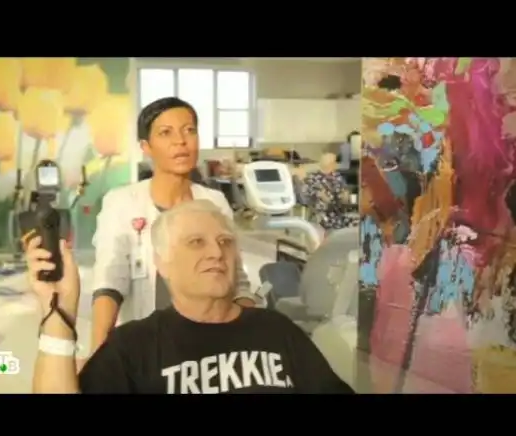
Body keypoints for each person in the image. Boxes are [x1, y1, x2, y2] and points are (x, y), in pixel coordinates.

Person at [28, 200, 354, 394]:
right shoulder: (133, 347)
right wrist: (59, 311)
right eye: (196, 242)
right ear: (163, 263)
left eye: (225, 242)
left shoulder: (277, 331)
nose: (216, 252)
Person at [90, 97, 255, 357]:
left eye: (189, 130)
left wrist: (251, 337)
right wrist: (97, 355)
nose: (180, 141)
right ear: (146, 146)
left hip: (210, 343)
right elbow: (110, 280)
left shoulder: (214, 202)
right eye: (166, 133)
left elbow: (236, 279)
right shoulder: (122, 202)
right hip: (147, 347)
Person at [302, 152, 359, 231]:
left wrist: (345, 196)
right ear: (329, 164)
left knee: (361, 223)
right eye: (334, 162)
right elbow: (307, 195)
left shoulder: (337, 176)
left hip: (340, 213)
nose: (336, 165)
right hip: (323, 217)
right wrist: (320, 196)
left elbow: (344, 192)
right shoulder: (312, 178)